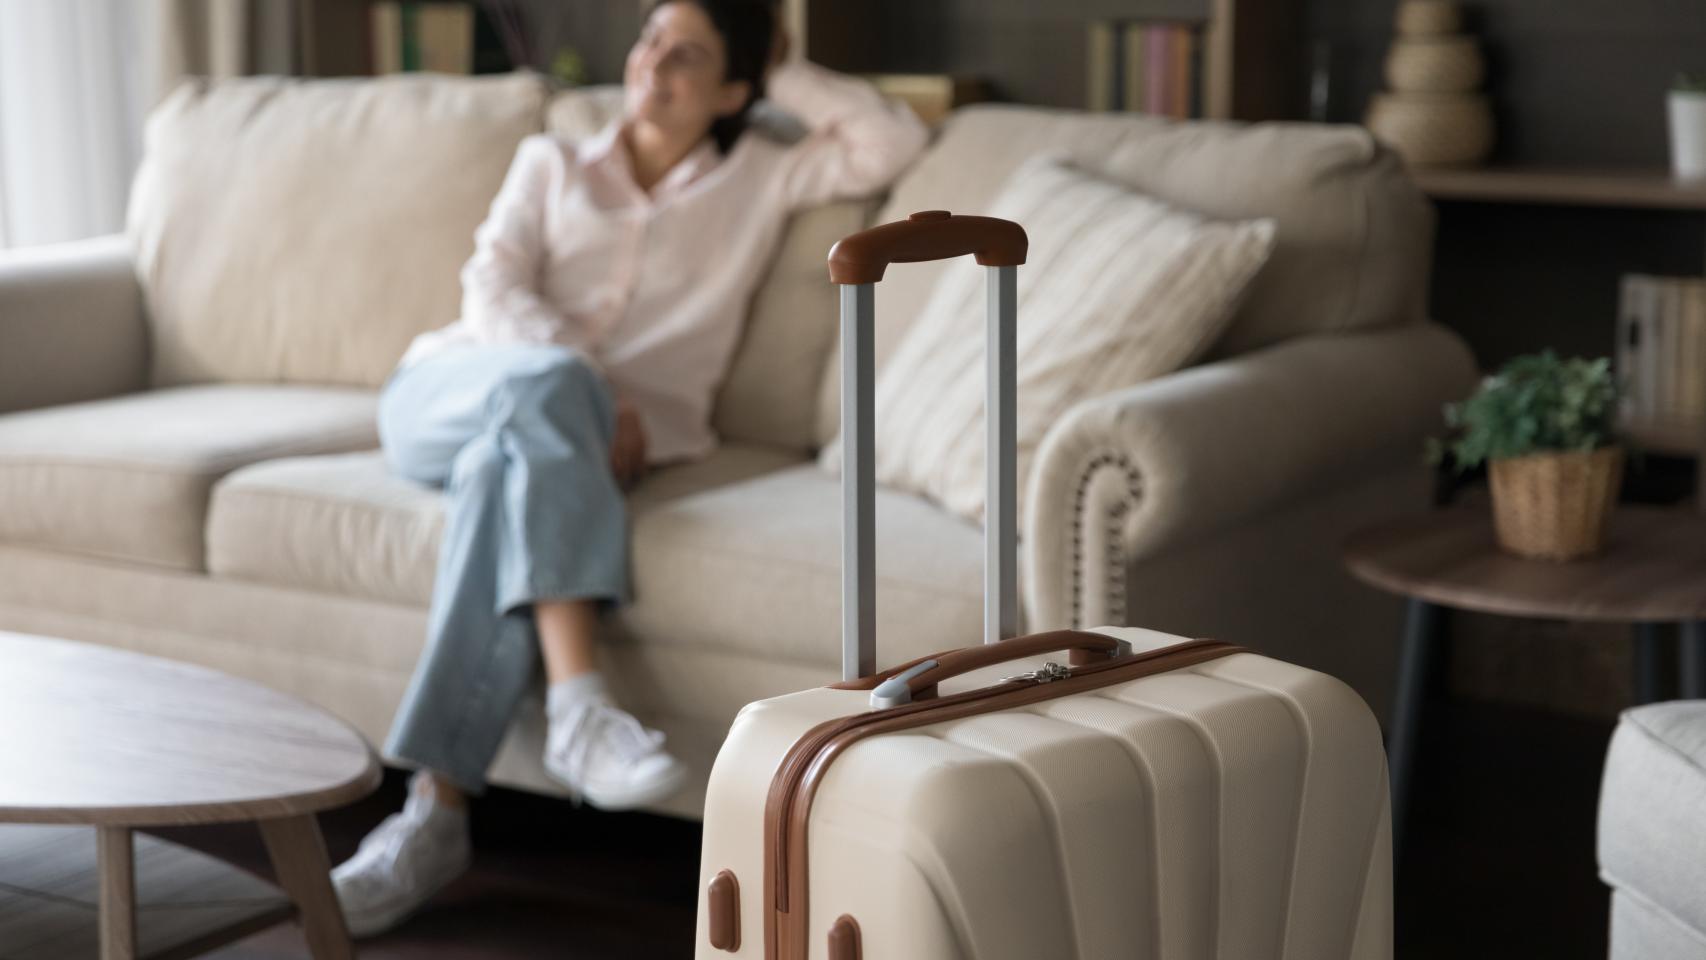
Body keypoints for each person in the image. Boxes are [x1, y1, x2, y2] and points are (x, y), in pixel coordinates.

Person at [329, 0, 928, 937]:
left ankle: (436, 814)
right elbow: (492, 287)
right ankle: (579, 705)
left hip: (537, 445)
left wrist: (779, 70)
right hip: (449, 390)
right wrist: (587, 390)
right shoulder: (553, 160)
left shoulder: (763, 175)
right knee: (541, 403)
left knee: (506, 474)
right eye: (651, 41)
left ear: (734, 88)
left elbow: (890, 141)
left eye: (688, 55)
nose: (654, 65)